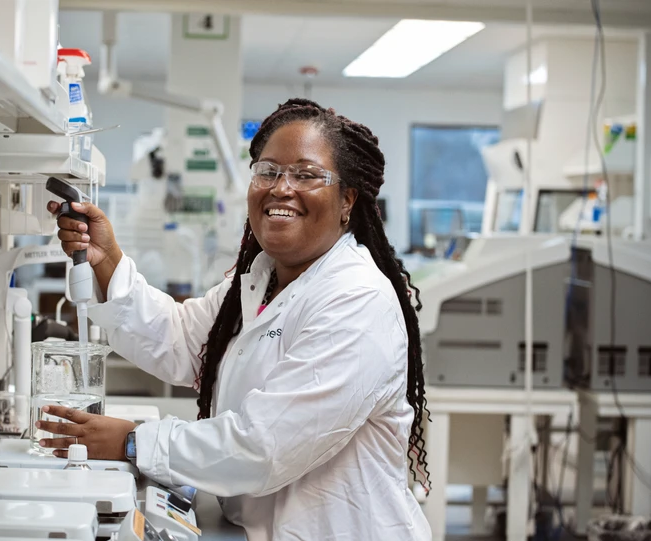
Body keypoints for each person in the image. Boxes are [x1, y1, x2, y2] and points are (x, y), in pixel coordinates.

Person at [37, 99, 432, 541]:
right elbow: (179, 340)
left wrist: (134, 441)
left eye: (305, 175)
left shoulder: (356, 300)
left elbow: (264, 447)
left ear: (347, 200)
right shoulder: (259, 281)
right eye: (268, 171)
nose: (281, 188)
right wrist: (107, 259)